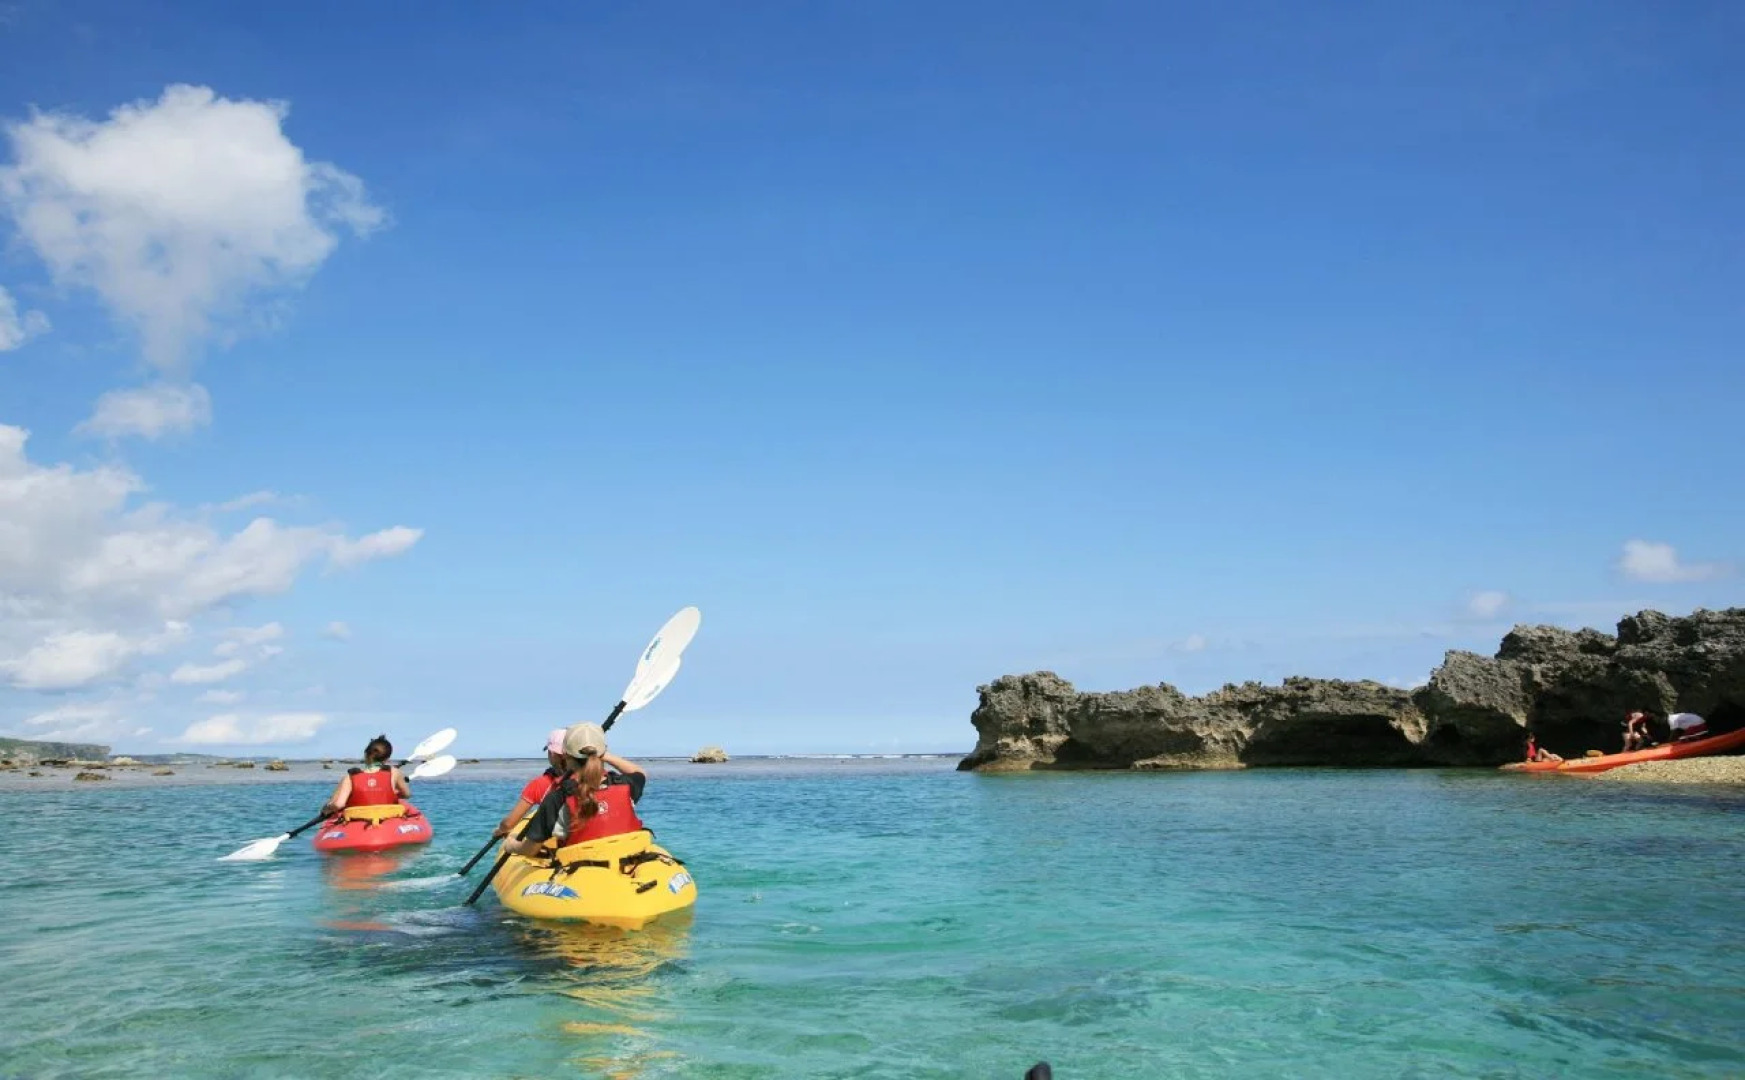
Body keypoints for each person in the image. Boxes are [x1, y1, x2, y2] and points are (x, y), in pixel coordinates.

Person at [503, 721, 648, 858]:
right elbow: (639, 773)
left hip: (583, 870)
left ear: (565, 754)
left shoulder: (558, 797)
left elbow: (531, 849)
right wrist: (604, 755)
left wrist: (512, 846)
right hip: (630, 860)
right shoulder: (624, 784)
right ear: (602, 752)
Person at [492, 728, 569, 839]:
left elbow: (508, 824)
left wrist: (500, 830)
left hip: (553, 841)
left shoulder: (539, 784)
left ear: (552, 753)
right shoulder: (591, 777)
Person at [319, 734, 411, 818]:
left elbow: (338, 804)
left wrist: (327, 807)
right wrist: (390, 791)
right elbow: (406, 795)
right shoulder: (395, 773)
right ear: (387, 758)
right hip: (387, 818)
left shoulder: (350, 777)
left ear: (365, 754)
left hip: (357, 820)